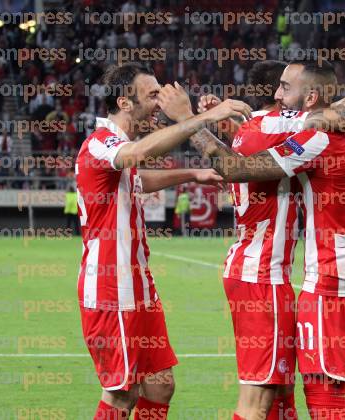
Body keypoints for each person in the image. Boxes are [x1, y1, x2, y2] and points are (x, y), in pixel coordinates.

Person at [174, 59, 345, 419]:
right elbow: (340, 108)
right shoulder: (328, 128)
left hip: (330, 278)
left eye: (286, 87)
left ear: (311, 95)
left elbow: (235, 166)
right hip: (343, 271)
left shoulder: (313, 136)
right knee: (287, 392)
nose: (278, 94)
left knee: (320, 399)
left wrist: (187, 120)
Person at [75, 62, 251, 420]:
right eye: (152, 94)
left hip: (138, 285)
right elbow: (138, 156)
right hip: (112, 288)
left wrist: (194, 173)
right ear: (125, 103)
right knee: (121, 394)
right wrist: (204, 116)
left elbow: (139, 178)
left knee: (159, 384)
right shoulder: (101, 142)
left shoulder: (119, 151)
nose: (161, 101)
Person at [198, 59, 302, 420]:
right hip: (263, 277)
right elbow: (334, 114)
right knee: (257, 400)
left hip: (253, 270)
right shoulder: (278, 124)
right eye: (294, 85)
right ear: (281, 92)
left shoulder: (251, 129)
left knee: (282, 388)